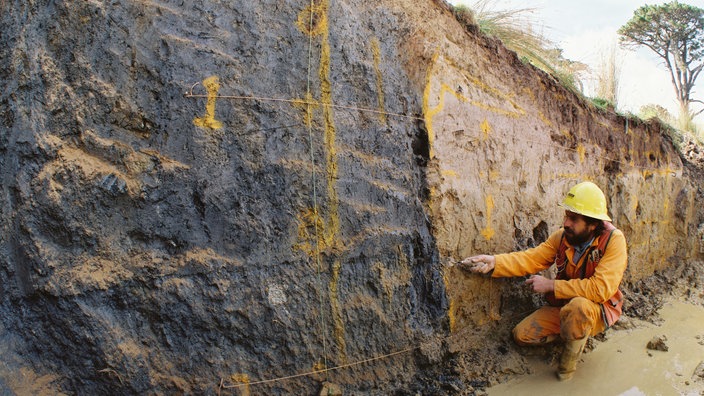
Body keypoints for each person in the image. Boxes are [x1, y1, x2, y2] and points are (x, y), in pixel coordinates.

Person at [460, 181, 627, 381]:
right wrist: (494, 262)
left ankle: (566, 373)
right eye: (566, 215)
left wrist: (551, 285)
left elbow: (600, 290)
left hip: (595, 311)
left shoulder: (613, 242)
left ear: (592, 224)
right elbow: (531, 258)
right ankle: (571, 333)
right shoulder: (563, 237)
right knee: (522, 335)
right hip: (566, 306)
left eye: (573, 219)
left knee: (578, 308)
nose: (566, 223)